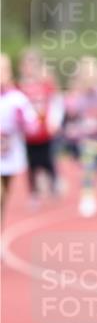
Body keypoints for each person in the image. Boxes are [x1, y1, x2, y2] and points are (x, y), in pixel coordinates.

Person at [64, 56, 97, 218]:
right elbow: (74, 116)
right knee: (87, 169)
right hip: (88, 141)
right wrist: (73, 130)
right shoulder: (79, 97)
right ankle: (88, 198)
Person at [18, 48, 65, 203]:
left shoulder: (46, 85)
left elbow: (57, 102)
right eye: (26, 64)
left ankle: (54, 182)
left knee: (48, 159)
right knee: (31, 163)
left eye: (33, 64)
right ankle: (34, 192)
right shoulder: (19, 87)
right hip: (28, 134)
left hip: (45, 131)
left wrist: (55, 122)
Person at [0, 54, 38, 221]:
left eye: (3, 69)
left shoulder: (17, 98)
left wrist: (23, 122)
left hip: (8, 155)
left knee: (3, 198)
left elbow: (33, 126)